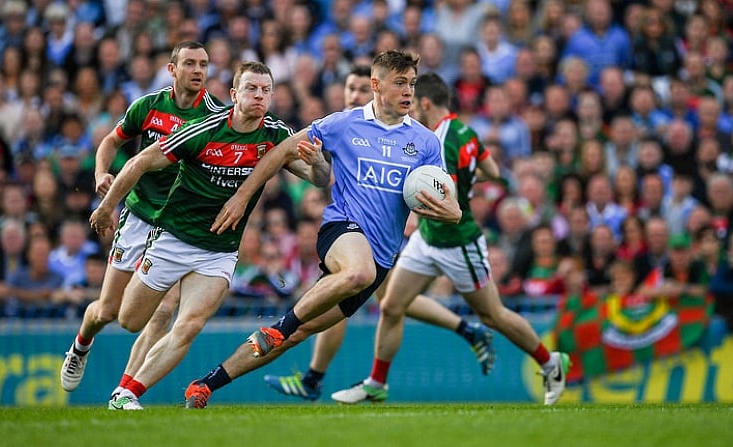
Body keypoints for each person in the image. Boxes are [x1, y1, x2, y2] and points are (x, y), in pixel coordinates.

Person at [183, 50, 466, 409]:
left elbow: (445, 196)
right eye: (400, 83)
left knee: (300, 333)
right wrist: (242, 197)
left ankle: (206, 385)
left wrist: (452, 212)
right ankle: (279, 327)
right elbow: (281, 151)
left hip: (380, 259)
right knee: (353, 274)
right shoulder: (343, 124)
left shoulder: (426, 142)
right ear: (377, 86)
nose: (408, 91)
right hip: (341, 230)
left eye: (411, 83)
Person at [92, 60, 329, 410]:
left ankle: (126, 393)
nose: (259, 95)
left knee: (188, 326)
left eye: (266, 90)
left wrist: (320, 162)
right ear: (234, 94)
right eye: (251, 88)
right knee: (129, 321)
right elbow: (140, 162)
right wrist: (106, 206)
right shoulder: (204, 129)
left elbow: (319, 179)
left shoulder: (276, 135)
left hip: (219, 250)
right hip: (173, 238)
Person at [329, 73, 570, 406]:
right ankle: (377, 382)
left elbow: (446, 199)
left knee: (493, 315)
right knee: (392, 305)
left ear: (426, 103)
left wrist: (413, 207)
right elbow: (494, 172)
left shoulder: (439, 140)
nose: (410, 108)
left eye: (413, 102)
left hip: (459, 242)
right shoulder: (467, 131)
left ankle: (550, 362)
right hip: (428, 240)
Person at [263, 68, 495, 401]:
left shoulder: (405, 133)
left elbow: (417, 182)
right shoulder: (345, 125)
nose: (354, 94)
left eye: (360, 88)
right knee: (389, 303)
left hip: (378, 238)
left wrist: (421, 211)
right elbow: (322, 171)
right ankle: (464, 332)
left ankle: (317, 379)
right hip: (354, 231)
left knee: (377, 300)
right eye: (350, 87)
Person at [59, 41, 223, 394]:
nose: (198, 71)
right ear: (172, 69)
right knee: (107, 312)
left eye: (204, 65)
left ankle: (124, 393)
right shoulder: (148, 107)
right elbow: (109, 142)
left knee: (165, 309)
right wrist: (101, 173)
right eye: (190, 63)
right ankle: (80, 345)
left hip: (178, 224)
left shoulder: (214, 114)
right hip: (138, 216)